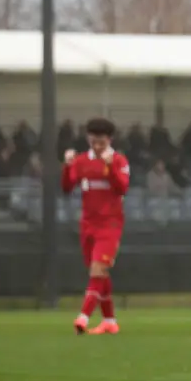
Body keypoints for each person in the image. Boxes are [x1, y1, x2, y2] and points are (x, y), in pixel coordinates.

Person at [61, 118, 130, 335]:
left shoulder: (118, 160)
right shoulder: (82, 161)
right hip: (87, 225)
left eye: (101, 141)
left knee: (98, 269)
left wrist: (109, 165)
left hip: (110, 224)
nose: (97, 145)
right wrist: (68, 166)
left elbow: (122, 188)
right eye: (93, 140)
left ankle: (83, 316)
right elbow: (66, 187)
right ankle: (109, 320)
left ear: (109, 140)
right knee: (100, 274)